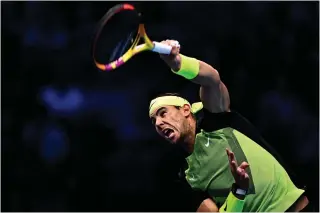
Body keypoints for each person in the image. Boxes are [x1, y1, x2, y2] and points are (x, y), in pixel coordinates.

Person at [148, 40, 309, 212]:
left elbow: (211, 79)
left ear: (186, 110)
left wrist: (178, 63)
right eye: (153, 121)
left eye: (163, 113)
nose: (158, 123)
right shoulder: (185, 176)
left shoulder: (218, 118)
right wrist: (239, 190)